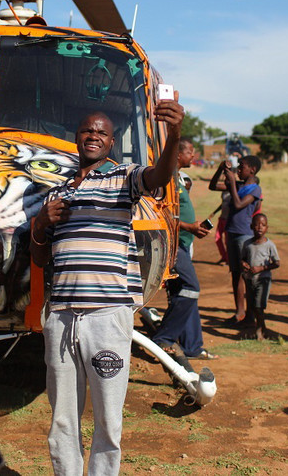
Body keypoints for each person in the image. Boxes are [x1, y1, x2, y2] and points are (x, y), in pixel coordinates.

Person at [30, 97, 184, 475]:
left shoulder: (125, 178)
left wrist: (175, 134)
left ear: (111, 142)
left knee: (108, 422)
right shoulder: (57, 193)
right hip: (62, 318)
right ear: (77, 138)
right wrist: (39, 224)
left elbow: (159, 177)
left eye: (102, 132)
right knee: (62, 420)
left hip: (107, 318)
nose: (94, 136)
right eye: (87, 130)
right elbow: (39, 259)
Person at [152, 137, 217, 360]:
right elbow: (161, 214)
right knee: (190, 287)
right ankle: (163, 339)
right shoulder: (167, 177)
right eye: (191, 152)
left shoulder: (178, 178)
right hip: (172, 243)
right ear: (179, 154)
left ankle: (192, 346)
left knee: (187, 292)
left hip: (183, 243)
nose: (194, 156)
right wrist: (189, 226)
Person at [215, 155, 263, 327]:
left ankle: (250, 315)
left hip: (244, 235)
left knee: (246, 275)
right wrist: (221, 169)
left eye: (242, 167)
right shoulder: (240, 185)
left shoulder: (255, 189)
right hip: (232, 233)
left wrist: (232, 184)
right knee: (236, 274)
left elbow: (239, 204)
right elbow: (212, 186)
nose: (239, 170)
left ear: (252, 170)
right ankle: (239, 313)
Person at [240, 213, 280, 340]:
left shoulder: (270, 245)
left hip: (263, 279)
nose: (259, 227)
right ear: (251, 226)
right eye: (256, 225)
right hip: (250, 279)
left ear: (267, 228)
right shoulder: (247, 244)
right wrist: (244, 264)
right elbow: (242, 258)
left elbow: (277, 263)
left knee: (258, 306)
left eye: (263, 225)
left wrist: (262, 268)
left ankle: (259, 330)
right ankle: (263, 328)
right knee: (253, 306)